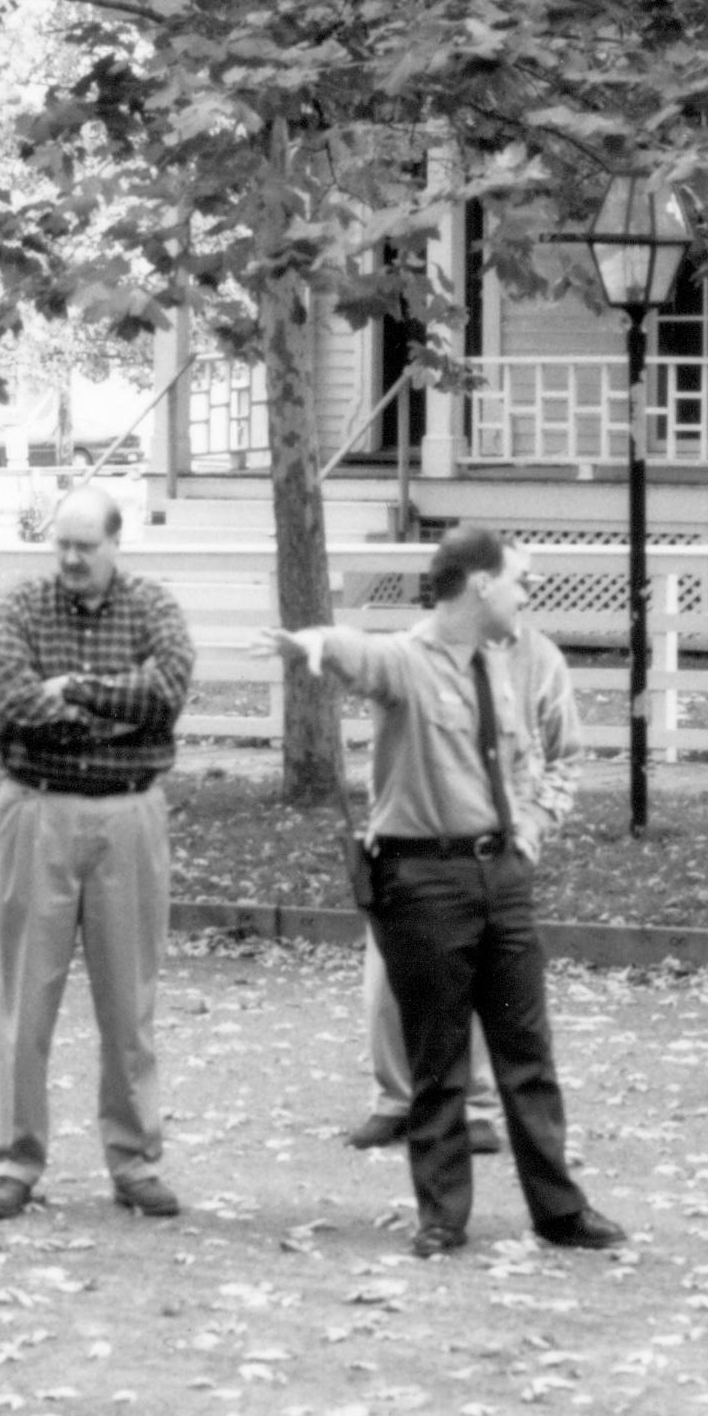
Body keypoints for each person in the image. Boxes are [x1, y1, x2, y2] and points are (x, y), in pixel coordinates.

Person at [260, 528, 626, 1260]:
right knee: (438, 1058)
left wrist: (529, 831)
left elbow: (558, 755)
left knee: (529, 1052)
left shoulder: (518, 660)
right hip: (422, 881)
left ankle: (558, 1210)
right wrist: (312, 643)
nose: (527, 593)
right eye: (518, 579)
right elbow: (357, 652)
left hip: (502, 876)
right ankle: (442, 1214)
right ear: (481, 584)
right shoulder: (409, 661)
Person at [0, 485, 195, 1221]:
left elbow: (165, 692)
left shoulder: (154, 608)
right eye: (61, 544)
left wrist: (72, 690)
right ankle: (14, 1160)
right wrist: (112, 712)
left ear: (114, 544)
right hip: (34, 812)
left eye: (86, 545)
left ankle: (134, 1161)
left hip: (128, 817)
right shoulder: (17, 610)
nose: (71, 558)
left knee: (128, 1002)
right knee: (24, 999)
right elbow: (13, 704)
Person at [343, 619, 580, 1157]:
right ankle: (395, 1098)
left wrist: (537, 821)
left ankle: (475, 1106)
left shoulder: (540, 658)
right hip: (413, 848)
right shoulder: (421, 651)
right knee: (387, 980)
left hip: (495, 847)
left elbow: (565, 751)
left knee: (482, 983)